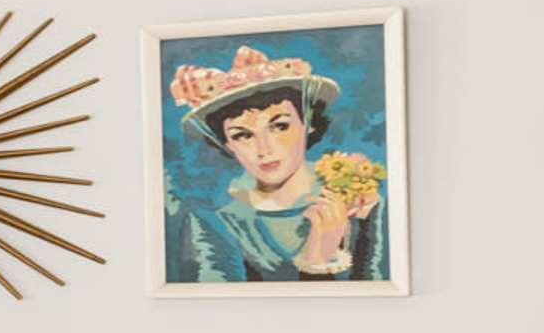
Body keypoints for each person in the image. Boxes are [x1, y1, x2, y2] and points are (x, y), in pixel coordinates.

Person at [164, 42, 382, 283]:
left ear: (308, 122)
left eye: (279, 126)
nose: (264, 149)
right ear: (227, 144)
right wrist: (316, 260)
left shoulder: (362, 204)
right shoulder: (213, 225)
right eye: (243, 135)